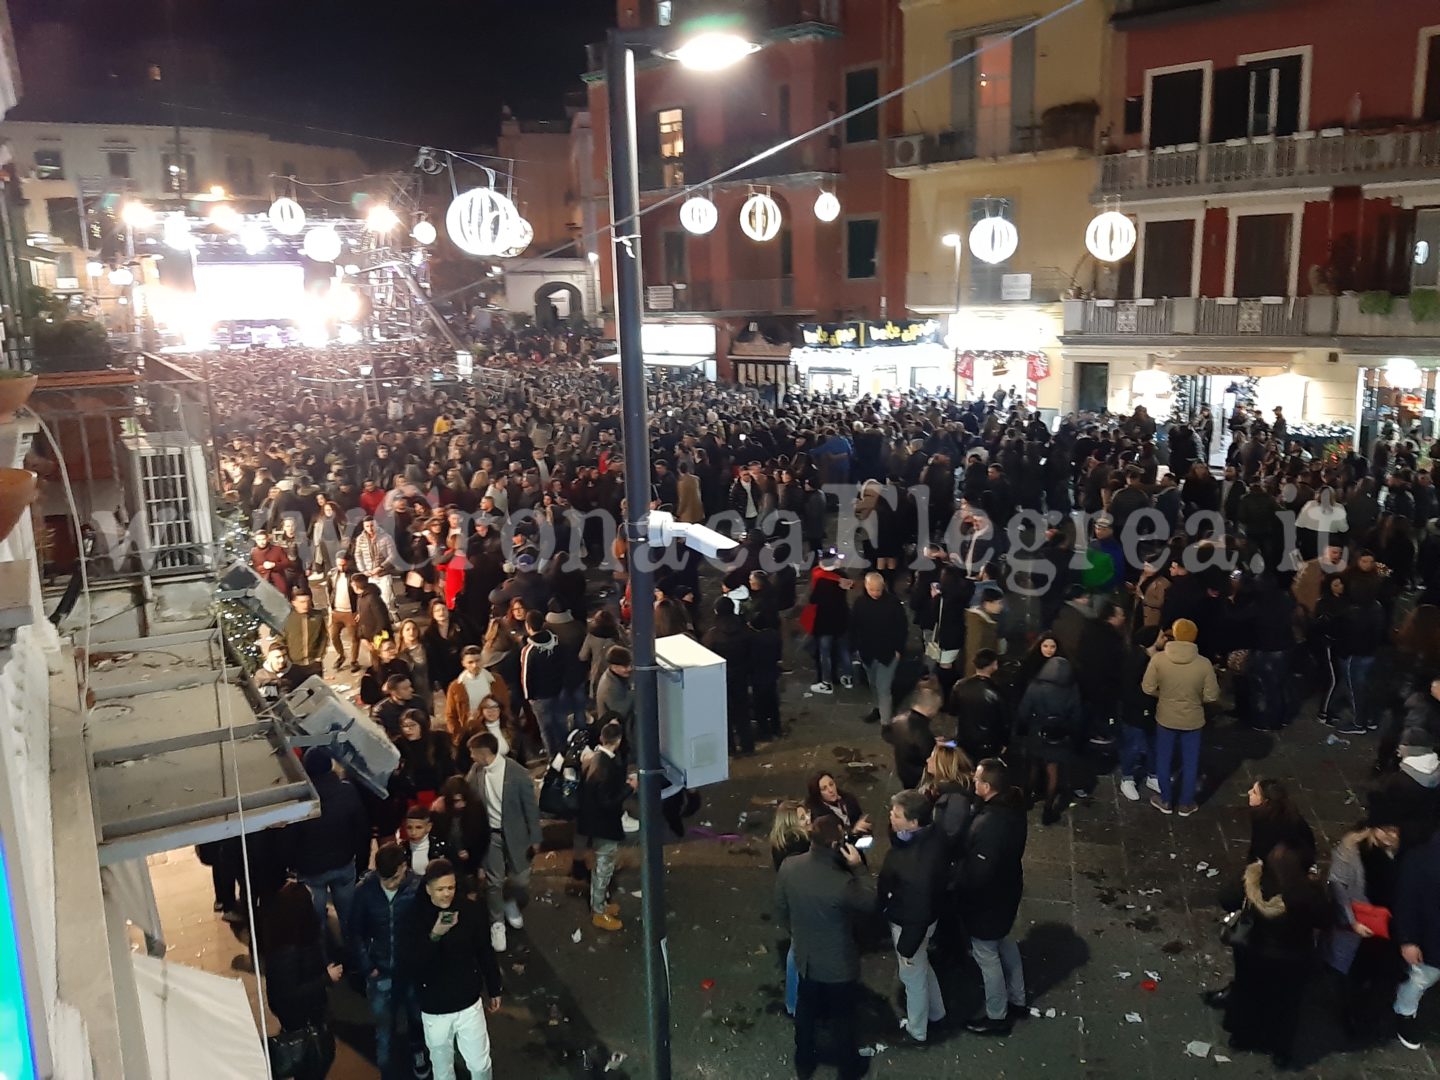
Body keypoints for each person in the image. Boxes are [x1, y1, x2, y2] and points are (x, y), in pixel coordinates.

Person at [774, 813, 876, 1080]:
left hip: (806, 957)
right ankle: (848, 1067)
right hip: (838, 964)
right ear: (835, 845)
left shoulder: (789, 866)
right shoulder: (842, 883)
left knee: (806, 1012)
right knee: (843, 1018)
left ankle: (804, 1060)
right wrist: (859, 868)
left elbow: (781, 910)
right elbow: (870, 903)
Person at [1220, 845, 1326, 1067]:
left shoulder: (1252, 881)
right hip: (1291, 960)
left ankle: (1243, 1037)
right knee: (1286, 1007)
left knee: (1249, 995)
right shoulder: (1306, 893)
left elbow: (1226, 898)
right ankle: (1281, 1051)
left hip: (1252, 954)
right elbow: (1325, 918)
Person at [405, 859, 504, 1080]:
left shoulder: (469, 911)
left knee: (479, 1063)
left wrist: (494, 986)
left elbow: (484, 950)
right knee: (442, 1068)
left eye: (450, 887)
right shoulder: (415, 916)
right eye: (440, 889)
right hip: (435, 1009)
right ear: (428, 888)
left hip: (468, 1003)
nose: (446, 894)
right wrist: (435, 935)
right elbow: (413, 964)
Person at [957, 758, 1028, 1034]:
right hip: (1009, 889)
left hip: (989, 901)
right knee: (1005, 941)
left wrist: (959, 887)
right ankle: (1018, 997)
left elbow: (979, 873)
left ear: (987, 787)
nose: (973, 783)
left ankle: (997, 1016)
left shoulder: (990, 824)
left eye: (976, 780)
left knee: (987, 955)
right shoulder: (1014, 806)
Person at [283, 747, 371, 962]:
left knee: (316, 921)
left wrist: (292, 865)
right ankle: (355, 959)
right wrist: (361, 862)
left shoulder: (301, 801)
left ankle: (325, 963)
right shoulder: (347, 791)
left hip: (311, 872)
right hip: (344, 865)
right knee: (349, 917)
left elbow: (289, 840)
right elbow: (362, 829)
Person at [348, 842, 426, 1080]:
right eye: (384, 879)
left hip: (409, 970)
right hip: (379, 971)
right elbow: (354, 932)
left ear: (404, 867)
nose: (388, 885)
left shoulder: (416, 886)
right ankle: (386, 1068)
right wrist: (367, 967)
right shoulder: (364, 891)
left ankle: (417, 1051)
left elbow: (423, 927)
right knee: (383, 1027)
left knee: (416, 1017)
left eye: (392, 879)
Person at [877, 789, 949, 1044]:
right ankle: (937, 1012)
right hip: (927, 920)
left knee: (912, 975)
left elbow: (917, 910)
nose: (891, 818)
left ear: (913, 823)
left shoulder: (913, 866)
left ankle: (917, 1030)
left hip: (909, 924)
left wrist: (905, 946)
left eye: (896, 815)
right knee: (922, 964)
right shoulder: (934, 836)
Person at [1322, 816, 1402, 1037]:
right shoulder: (1352, 851)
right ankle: (1352, 1015)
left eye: (1395, 831)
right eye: (1385, 830)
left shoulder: (1403, 851)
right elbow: (1338, 888)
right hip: (1360, 928)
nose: (1391, 836)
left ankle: (1368, 1011)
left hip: (1389, 928)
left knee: (1381, 974)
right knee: (1353, 975)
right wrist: (1351, 922)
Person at [464, 731, 542, 953]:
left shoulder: (517, 774)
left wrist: (535, 837)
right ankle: (497, 922)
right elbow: (466, 791)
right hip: (491, 836)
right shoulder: (477, 771)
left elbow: (530, 809)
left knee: (520, 877)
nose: (470, 757)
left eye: (472, 753)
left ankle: (509, 901)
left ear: (483, 753)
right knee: (493, 881)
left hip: (516, 836)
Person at [261, 880, 341, 1080]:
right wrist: (326, 978)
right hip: (302, 1016)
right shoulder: (287, 951)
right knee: (312, 1058)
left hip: (306, 1012)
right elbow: (289, 992)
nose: (315, 899)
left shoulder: (288, 935)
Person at [1142, 618, 1219, 817]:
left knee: (1164, 758)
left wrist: (1165, 695)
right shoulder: (1203, 663)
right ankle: (1186, 803)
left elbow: (1148, 687)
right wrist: (1195, 698)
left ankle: (1166, 799)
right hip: (1193, 719)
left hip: (1166, 717)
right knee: (1191, 761)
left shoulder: (1159, 660)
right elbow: (1212, 695)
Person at [578, 720, 633, 932]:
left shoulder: (596, 759)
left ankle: (600, 905)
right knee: (603, 865)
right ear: (618, 741)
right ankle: (598, 911)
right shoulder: (603, 766)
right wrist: (629, 788)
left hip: (596, 823)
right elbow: (607, 801)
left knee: (604, 864)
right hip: (603, 825)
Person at [1014, 655, 1083, 825]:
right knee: (1053, 773)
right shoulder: (1072, 689)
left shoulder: (1035, 687)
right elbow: (1077, 717)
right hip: (1059, 737)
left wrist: (1022, 730)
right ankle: (1048, 809)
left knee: (1033, 767)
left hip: (1037, 733)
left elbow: (1023, 712)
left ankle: (1026, 801)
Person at [769, 800, 811, 1017]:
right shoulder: (799, 847)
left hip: (793, 904)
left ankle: (793, 1002)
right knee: (796, 954)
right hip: (802, 905)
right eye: (803, 818)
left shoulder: (781, 843)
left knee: (795, 950)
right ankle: (793, 1002)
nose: (808, 820)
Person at [850, 571, 909, 724]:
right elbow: (854, 627)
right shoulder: (860, 603)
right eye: (872, 590)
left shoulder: (893, 603)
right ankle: (878, 709)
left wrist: (898, 650)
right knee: (873, 684)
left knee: (883, 688)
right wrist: (856, 648)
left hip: (888, 653)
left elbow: (902, 628)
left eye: (878, 590)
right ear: (866, 586)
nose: (875, 593)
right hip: (867, 653)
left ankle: (886, 723)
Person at [947, 648, 1010, 762]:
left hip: (965, 740)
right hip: (989, 742)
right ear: (994, 665)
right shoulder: (997, 690)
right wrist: (1005, 742)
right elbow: (1005, 720)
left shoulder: (960, 686)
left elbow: (952, 711)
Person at [444, 646, 512, 746]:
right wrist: (457, 735)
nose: (475, 665)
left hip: (495, 727)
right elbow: (451, 715)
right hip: (471, 731)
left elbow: (506, 705)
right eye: (470, 662)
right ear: (463, 663)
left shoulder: (496, 680)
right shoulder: (456, 687)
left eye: (478, 661)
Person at [883, 681, 944, 790]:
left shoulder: (898, 720)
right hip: (918, 776)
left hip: (903, 770)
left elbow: (887, 734)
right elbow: (928, 756)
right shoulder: (923, 733)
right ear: (930, 709)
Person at [393, 708, 455, 809]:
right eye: (405, 726)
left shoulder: (437, 741)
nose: (408, 729)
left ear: (422, 725)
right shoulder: (398, 745)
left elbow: (447, 768)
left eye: (412, 725)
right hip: (410, 795)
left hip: (436, 792)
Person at [805, 770, 871, 842]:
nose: (830, 790)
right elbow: (831, 840)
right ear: (818, 794)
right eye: (824, 789)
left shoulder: (848, 799)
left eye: (831, 784)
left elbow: (858, 817)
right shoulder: (819, 816)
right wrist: (853, 832)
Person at [282, 589, 329, 681]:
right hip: (294, 666)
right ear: (294, 602)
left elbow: (324, 637)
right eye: (302, 602)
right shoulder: (287, 619)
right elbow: (281, 640)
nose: (306, 605)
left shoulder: (318, 616)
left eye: (308, 601)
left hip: (314, 664)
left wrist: (319, 656)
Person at [326, 552, 361, 673]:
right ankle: (341, 655)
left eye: (344, 565)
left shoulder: (355, 575)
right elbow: (329, 592)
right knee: (333, 636)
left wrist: (359, 611)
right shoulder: (331, 574)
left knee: (354, 638)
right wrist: (330, 610)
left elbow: (360, 594)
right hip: (336, 611)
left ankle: (354, 661)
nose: (341, 568)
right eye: (339, 565)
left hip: (350, 612)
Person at [254, 641, 305, 708]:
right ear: (269, 658)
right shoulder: (261, 676)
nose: (282, 660)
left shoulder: (296, 671)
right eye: (278, 657)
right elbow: (257, 696)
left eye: (284, 656)